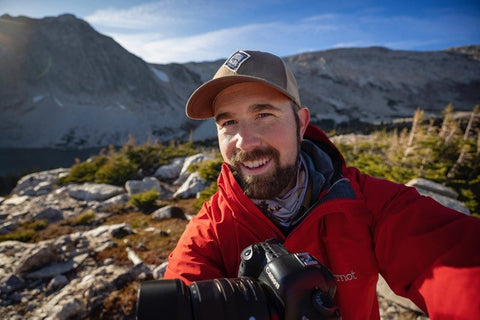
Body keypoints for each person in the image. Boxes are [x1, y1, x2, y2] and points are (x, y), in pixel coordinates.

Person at [163, 50, 480, 319]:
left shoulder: (368, 203)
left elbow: (455, 261)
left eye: (263, 114)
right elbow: (179, 296)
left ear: (301, 123)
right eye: (228, 122)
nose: (244, 141)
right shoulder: (211, 230)